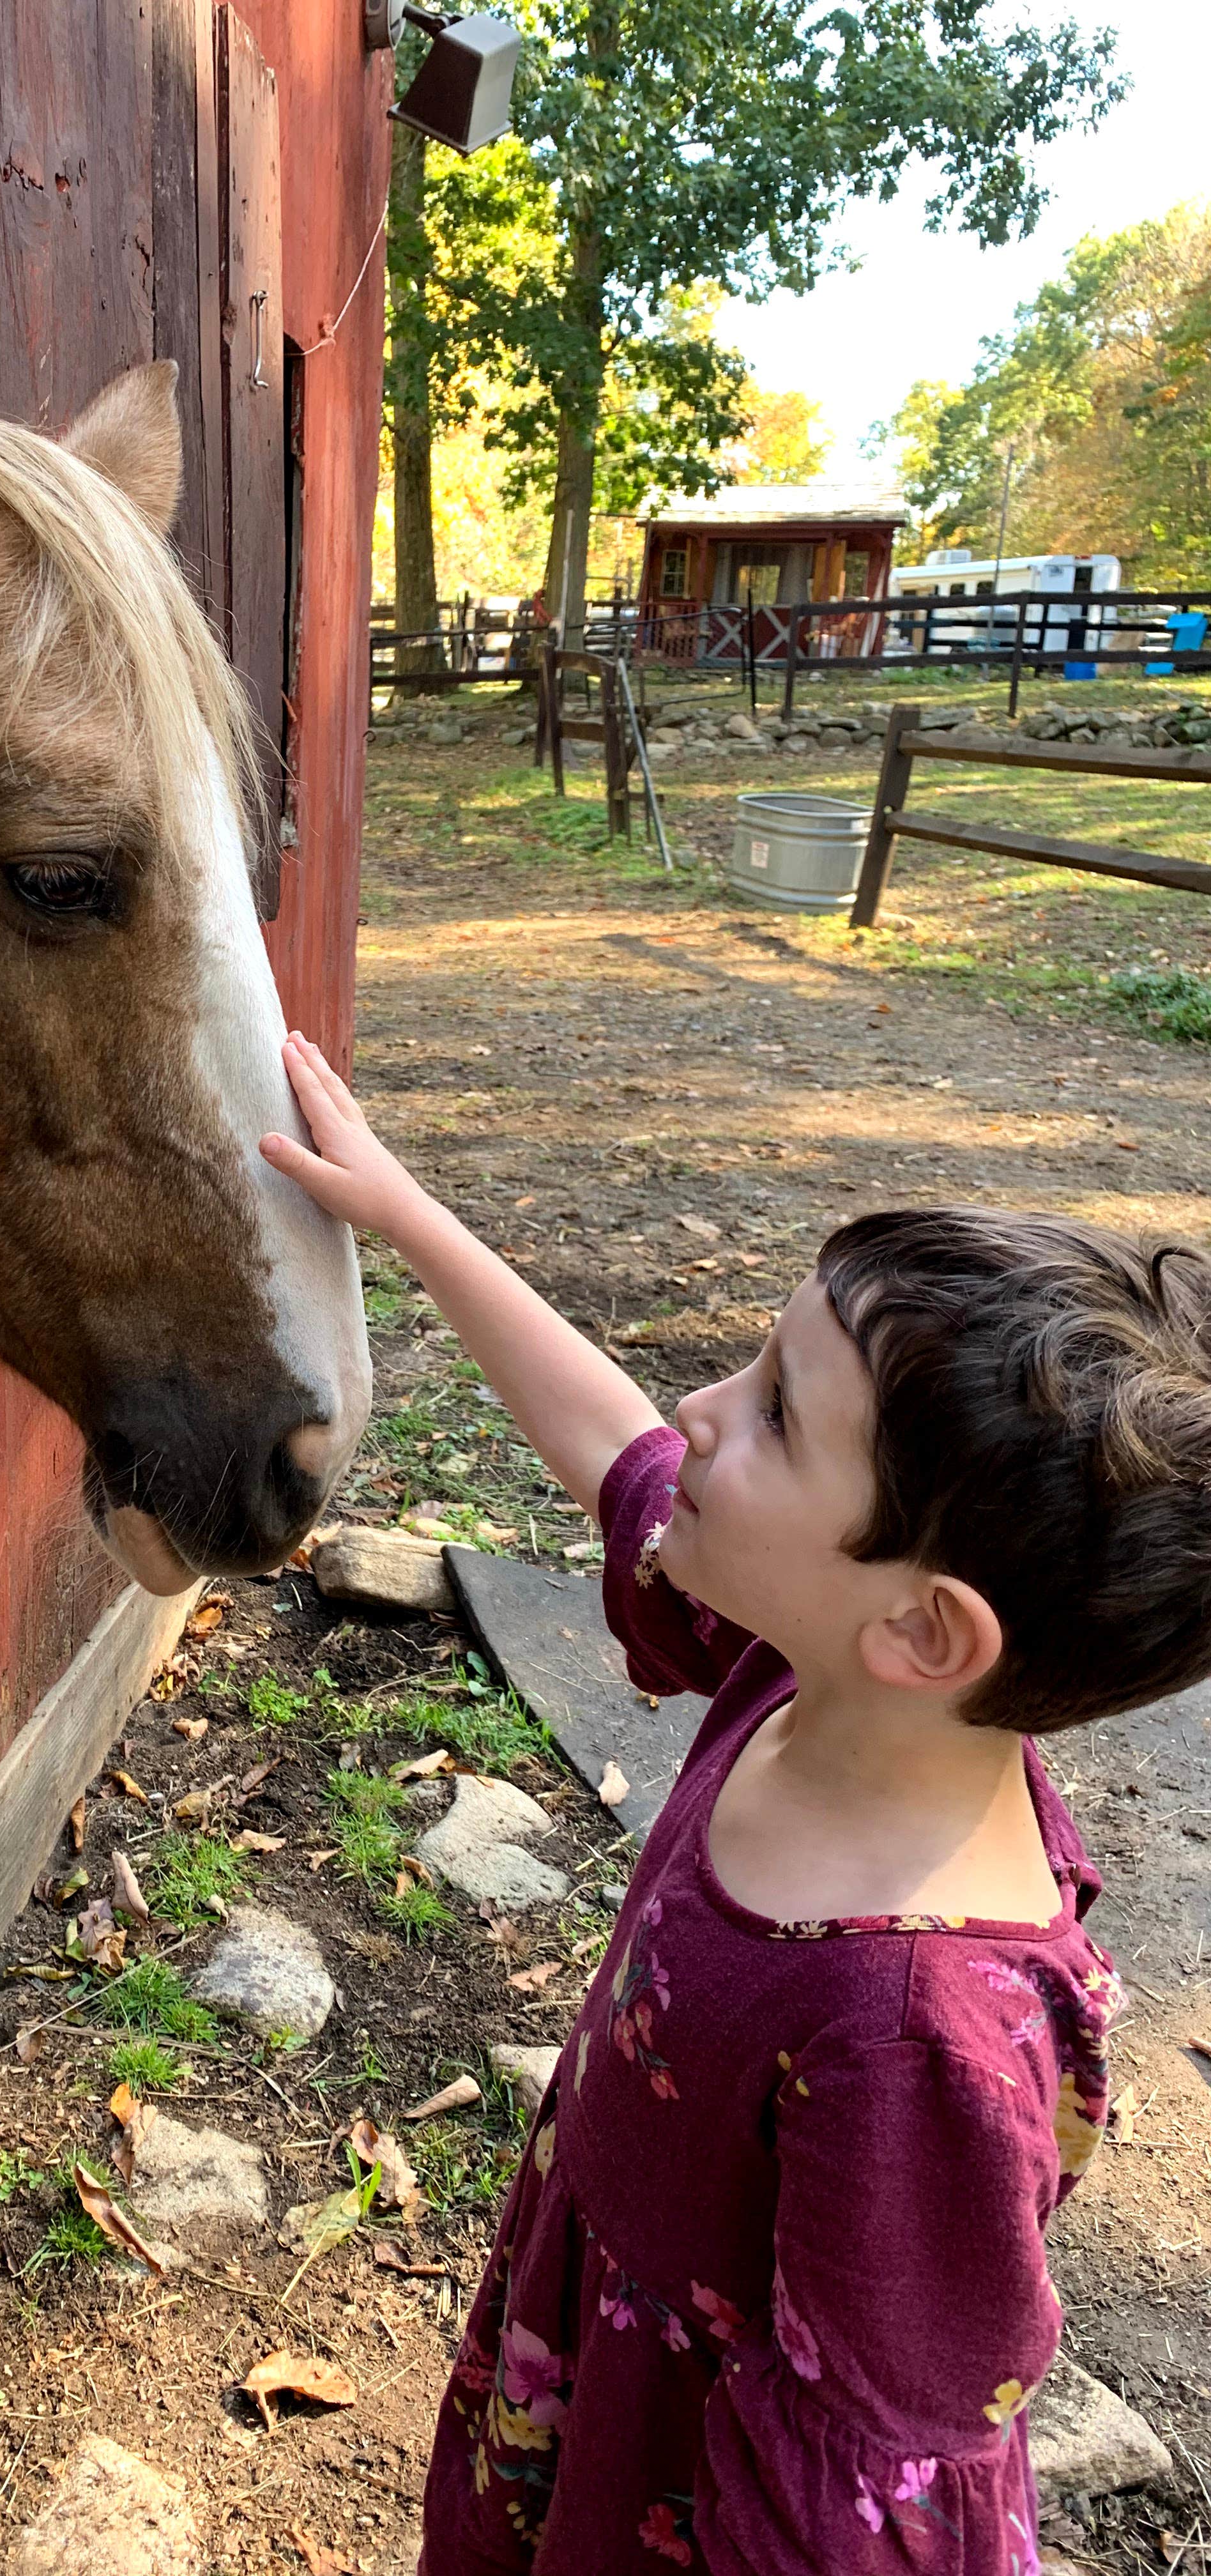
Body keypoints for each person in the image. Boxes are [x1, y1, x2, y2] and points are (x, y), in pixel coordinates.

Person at [260, 1031, 1211, 2575]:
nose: (700, 1412)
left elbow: (879, 2509)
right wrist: (408, 1217)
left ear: (923, 1629)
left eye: (776, 1411)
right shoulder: (812, 1676)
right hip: (583, 2380)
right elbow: (608, 1445)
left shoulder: (913, 2040)